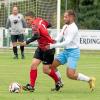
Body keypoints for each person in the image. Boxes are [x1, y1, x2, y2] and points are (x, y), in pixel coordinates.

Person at [46, 10, 96, 92]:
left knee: (70, 75)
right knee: (51, 66)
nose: (64, 18)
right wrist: (53, 40)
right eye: (64, 16)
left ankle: (89, 79)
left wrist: (52, 46)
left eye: (66, 17)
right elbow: (60, 35)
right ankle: (59, 82)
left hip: (73, 52)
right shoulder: (65, 26)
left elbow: (67, 42)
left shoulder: (73, 28)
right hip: (66, 51)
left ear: (71, 17)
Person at [22, 11, 63, 92]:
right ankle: (31, 86)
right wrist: (44, 32)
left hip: (48, 48)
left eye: (28, 19)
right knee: (33, 65)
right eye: (26, 20)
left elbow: (37, 35)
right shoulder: (40, 20)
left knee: (46, 70)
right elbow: (49, 24)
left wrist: (26, 42)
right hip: (41, 47)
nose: (27, 21)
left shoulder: (34, 24)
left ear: (33, 18)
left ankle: (58, 81)